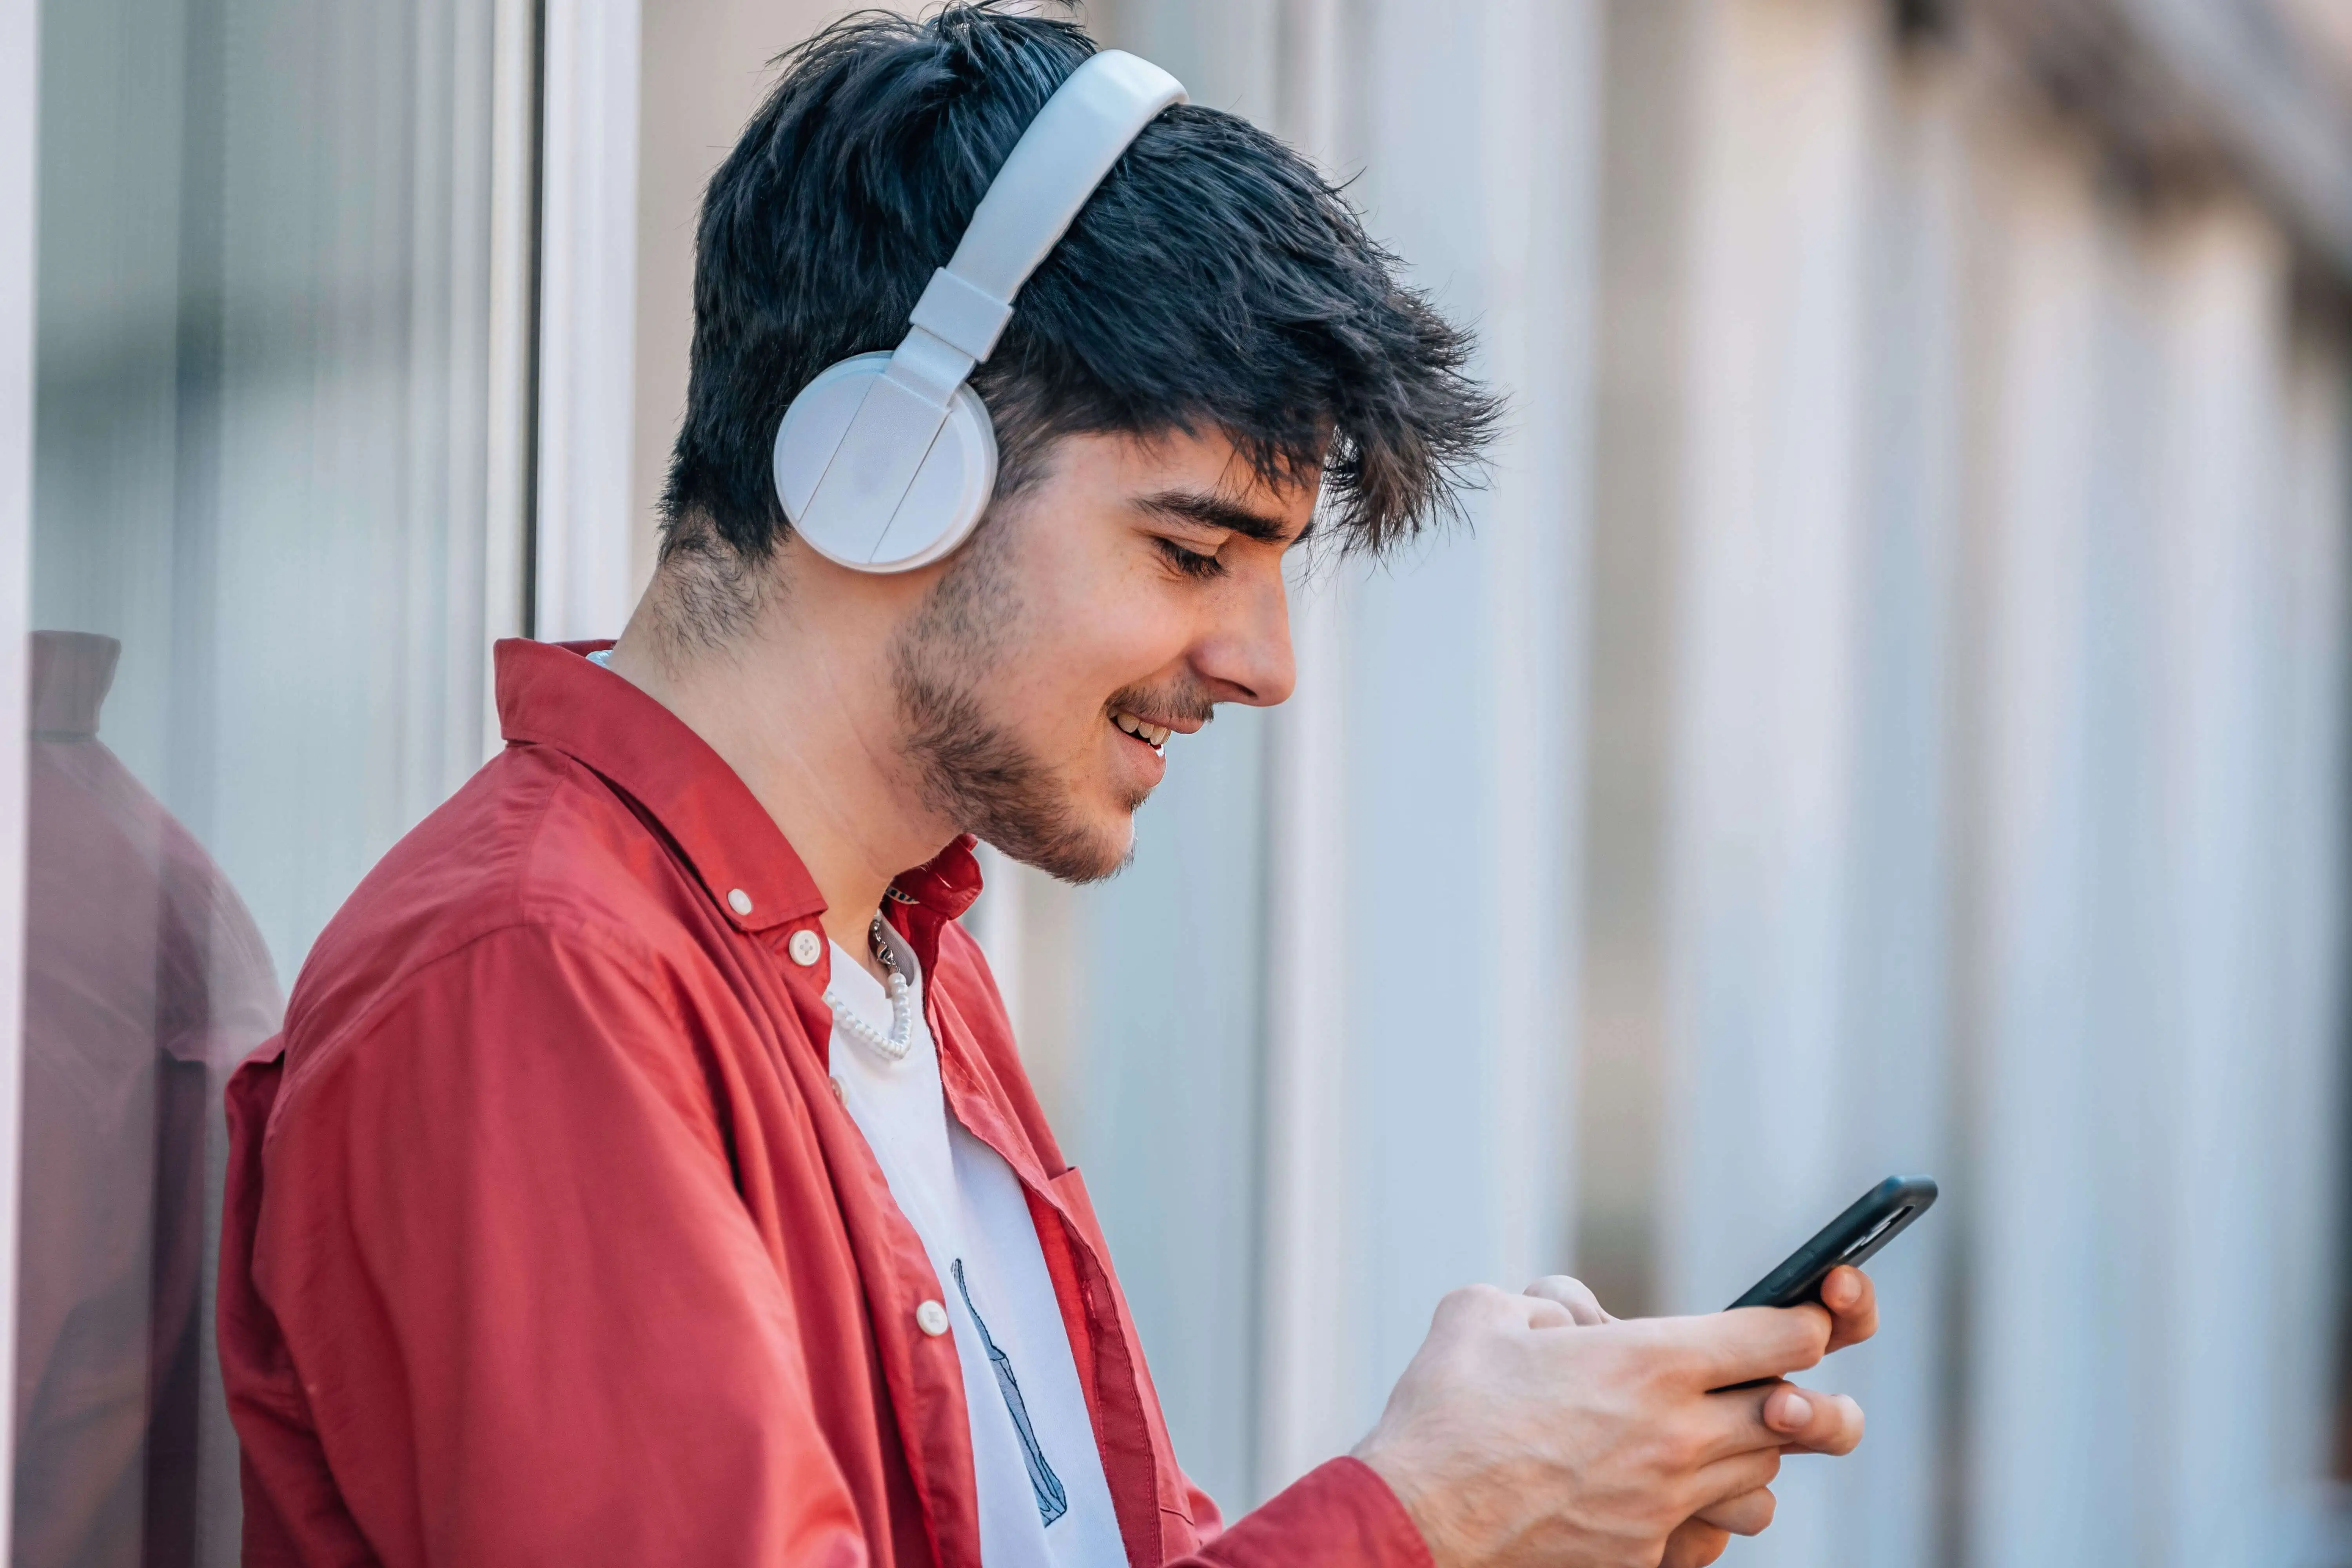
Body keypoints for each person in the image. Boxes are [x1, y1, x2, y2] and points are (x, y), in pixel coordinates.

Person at [218, 9, 1878, 1566]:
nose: (1265, 662)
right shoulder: (533, 979)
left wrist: (1522, 1519)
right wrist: (1423, 1516)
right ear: (885, 464)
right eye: (1189, 549)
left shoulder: (903, 977)